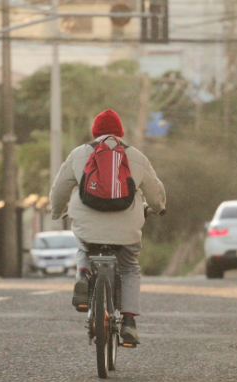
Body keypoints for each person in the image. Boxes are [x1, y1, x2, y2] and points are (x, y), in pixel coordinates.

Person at [49, 109, 166, 345]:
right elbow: (155, 194)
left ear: (95, 133)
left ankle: (83, 275)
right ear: (120, 133)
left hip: (88, 227)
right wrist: (158, 207)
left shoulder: (79, 154)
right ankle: (130, 322)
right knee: (129, 268)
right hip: (126, 230)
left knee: (84, 246)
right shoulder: (136, 157)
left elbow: (59, 190)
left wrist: (57, 211)